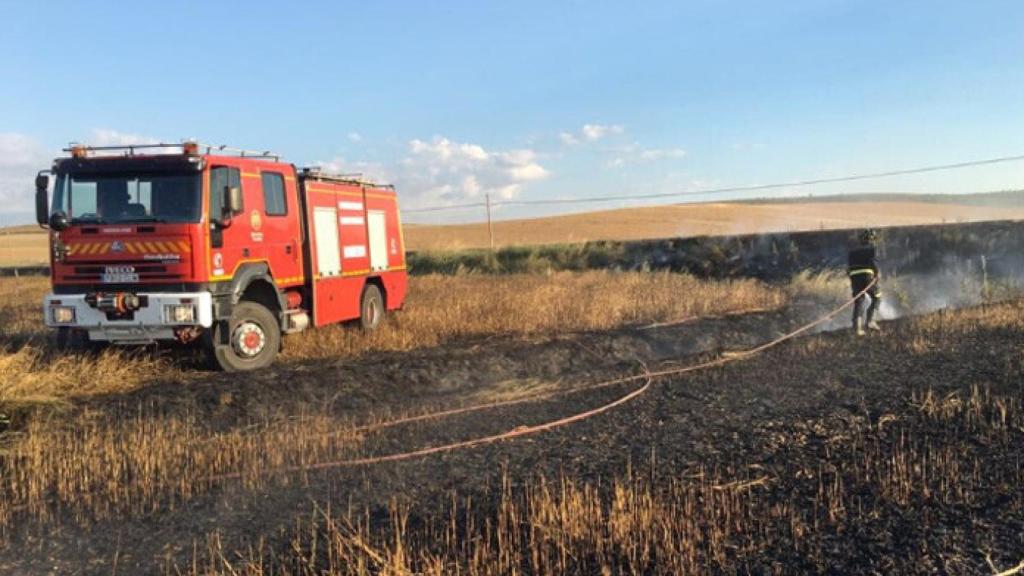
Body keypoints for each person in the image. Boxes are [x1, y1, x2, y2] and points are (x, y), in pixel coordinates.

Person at [848, 228, 881, 336]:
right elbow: (873, 262)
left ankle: (857, 329)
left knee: (859, 300)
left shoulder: (852, 252)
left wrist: (853, 280)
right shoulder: (873, 249)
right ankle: (870, 322)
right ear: (872, 239)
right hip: (867, 275)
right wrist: (877, 274)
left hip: (854, 277)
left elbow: (848, 269)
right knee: (877, 297)